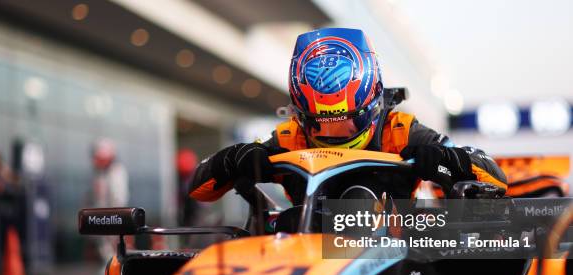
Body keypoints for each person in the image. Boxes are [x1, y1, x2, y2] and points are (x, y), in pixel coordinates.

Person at [189, 28, 507, 205]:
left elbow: (495, 178)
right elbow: (198, 188)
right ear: (300, 115)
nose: (336, 130)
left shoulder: (400, 130)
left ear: (373, 104)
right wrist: (235, 159)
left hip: (395, 263)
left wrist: (445, 161)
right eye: (319, 122)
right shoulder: (288, 138)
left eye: (347, 119)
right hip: (305, 262)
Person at [88, 139, 129, 260]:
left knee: (112, 261)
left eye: (98, 157)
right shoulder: (100, 174)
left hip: (112, 225)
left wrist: (115, 229)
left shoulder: (116, 172)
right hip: (102, 225)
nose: (95, 161)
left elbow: (119, 201)